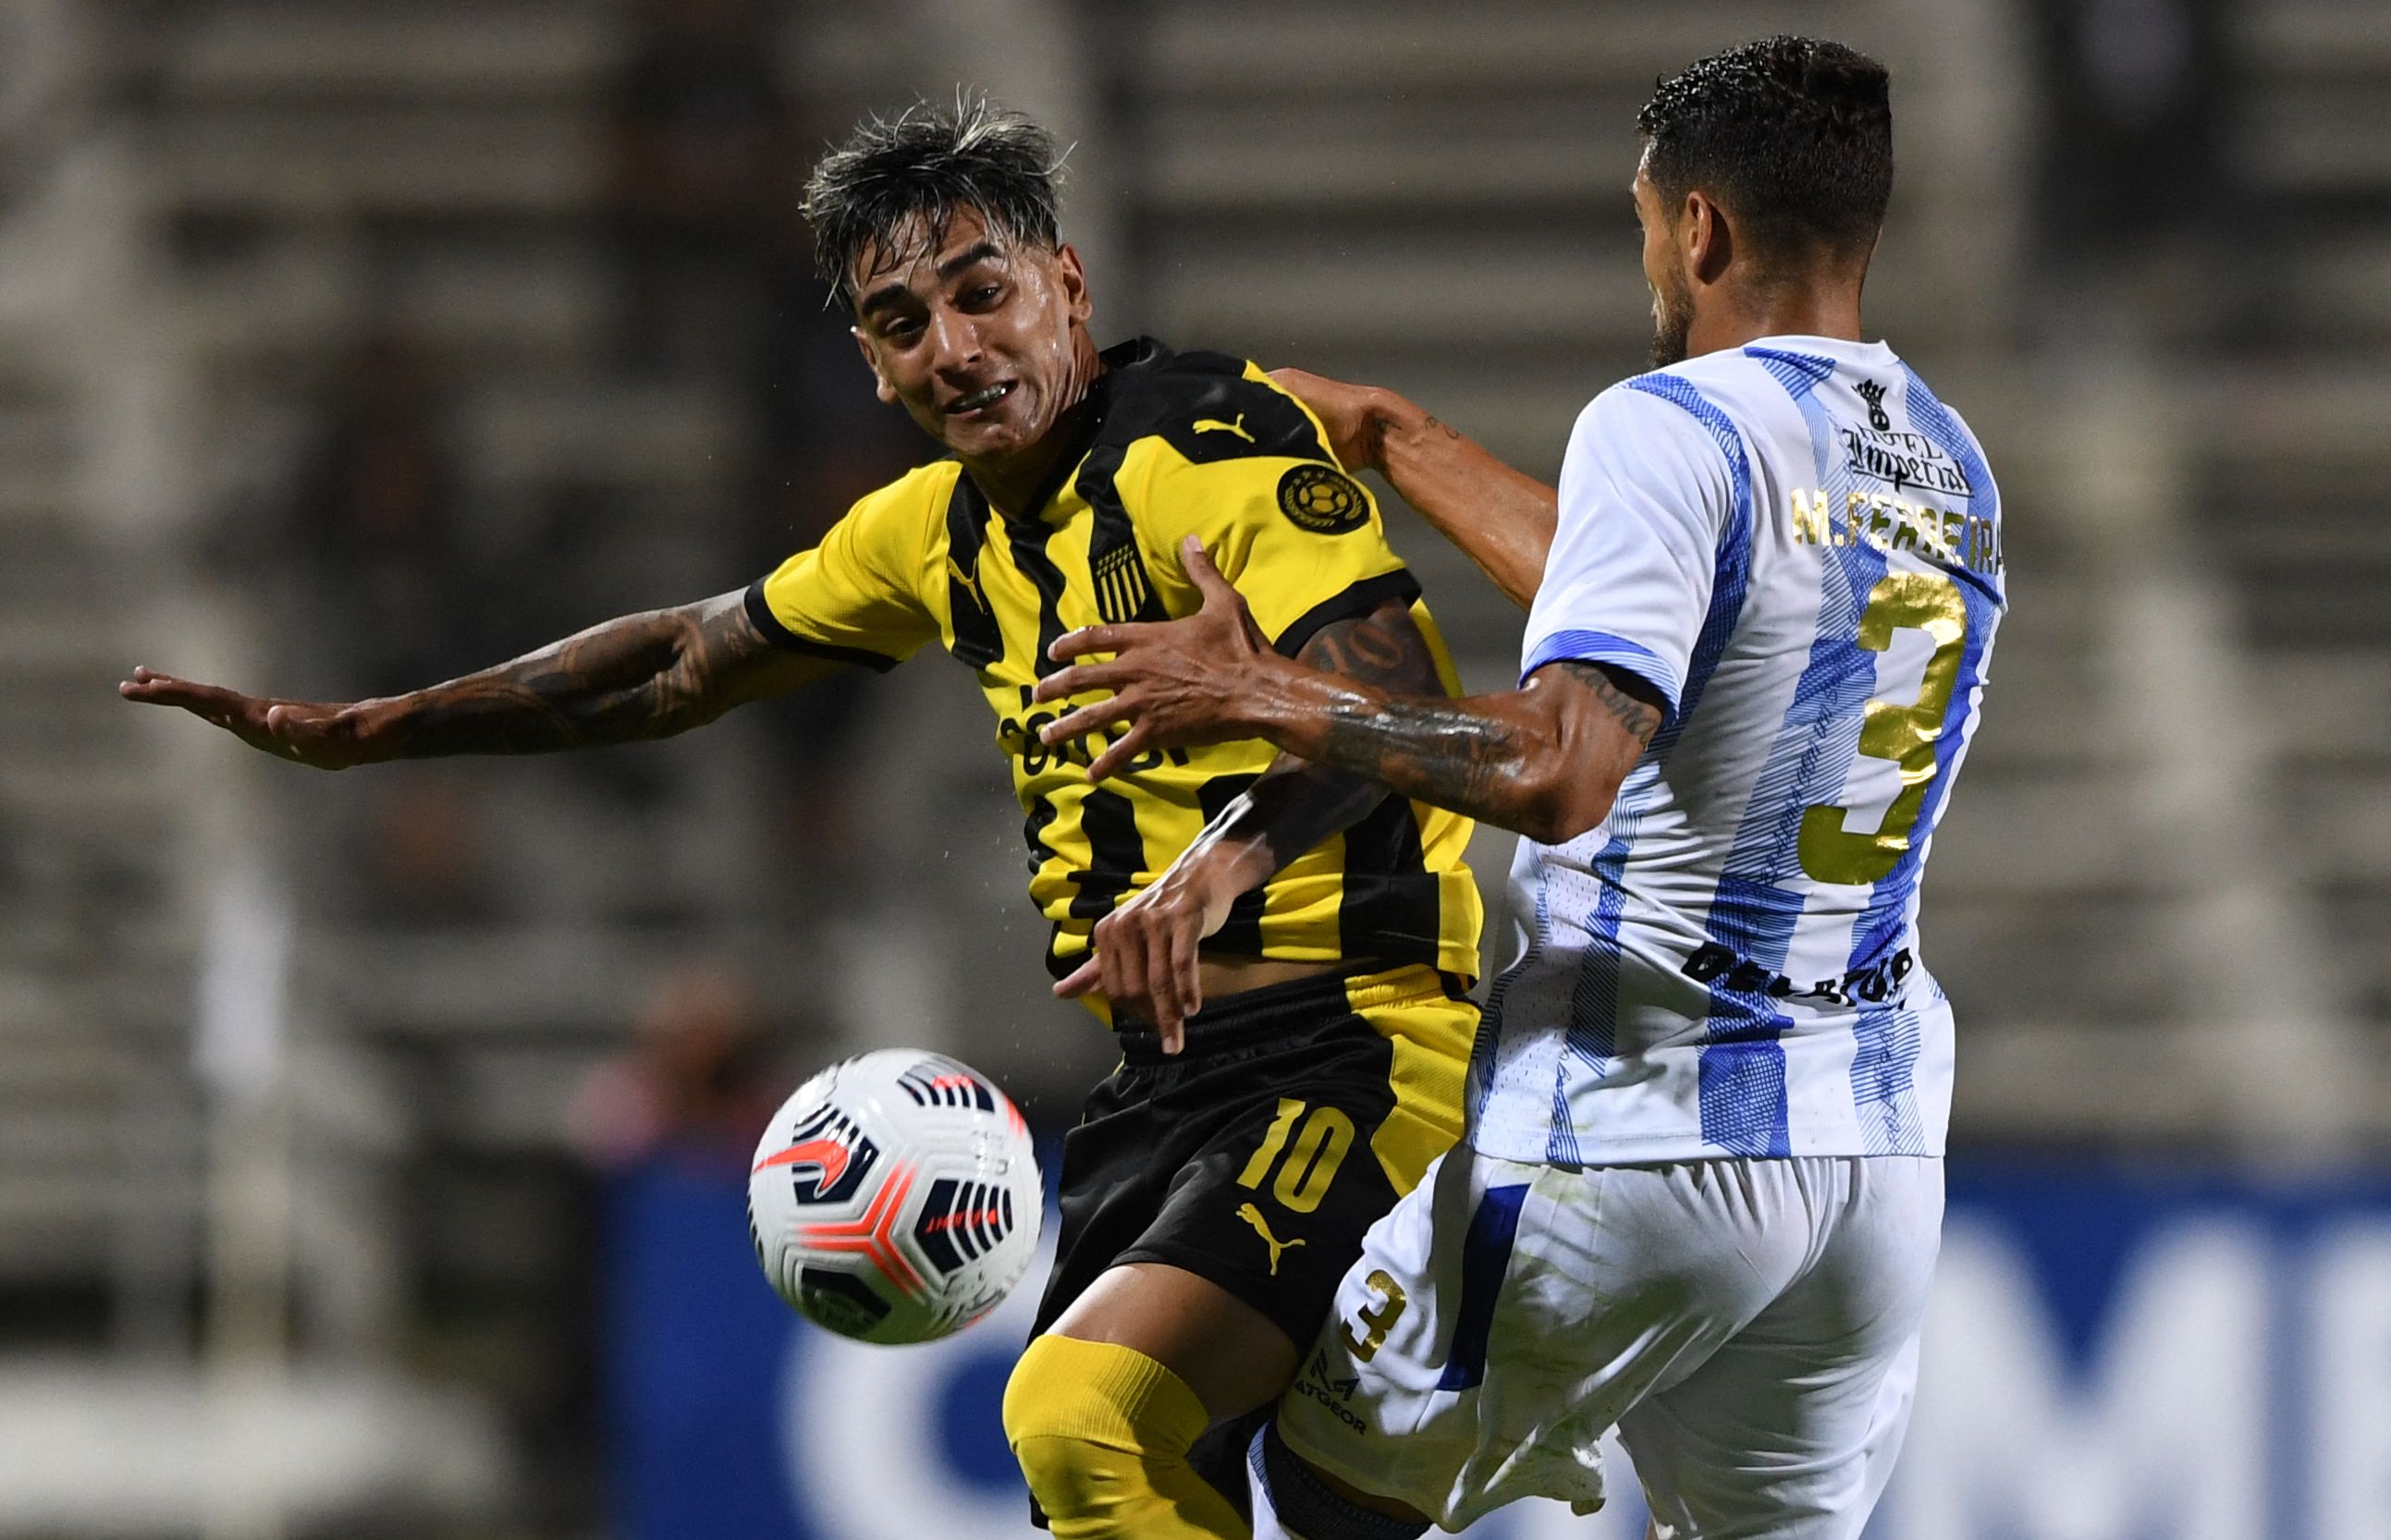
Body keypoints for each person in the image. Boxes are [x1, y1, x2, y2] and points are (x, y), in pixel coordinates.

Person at [121, 97, 1483, 1539]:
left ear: (1066, 284)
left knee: (1077, 1416)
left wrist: (1222, 864)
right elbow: (684, 656)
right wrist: (384, 725)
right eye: (903, 322)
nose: (954, 348)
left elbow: (1392, 706)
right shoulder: (934, 531)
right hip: (1165, 1086)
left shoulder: (1202, 444)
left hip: (1362, 1050)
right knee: (1230, 1501)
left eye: (982, 293)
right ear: (869, 362)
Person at [1035, 37, 2003, 1539]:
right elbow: (1678, 612)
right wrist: (1403, 440)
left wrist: (1252, 688)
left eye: (1641, 224)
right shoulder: (1942, 460)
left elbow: (1563, 769)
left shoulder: (1664, 420)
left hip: (1638, 1129)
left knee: (1315, 1489)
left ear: (1697, 228)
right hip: (1867, 1161)